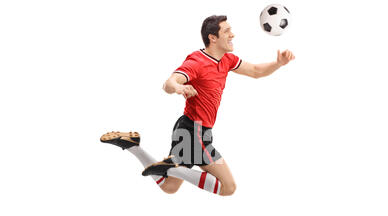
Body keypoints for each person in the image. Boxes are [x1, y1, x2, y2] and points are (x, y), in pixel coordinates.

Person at [100, 15, 295, 196]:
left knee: (169, 187)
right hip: (194, 132)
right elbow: (168, 83)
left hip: (193, 130)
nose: (232, 34)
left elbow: (255, 71)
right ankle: (171, 167)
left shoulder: (227, 59)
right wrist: (178, 87)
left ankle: (133, 146)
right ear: (213, 38)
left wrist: (278, 63)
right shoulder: (197, 61)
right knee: (228, 187)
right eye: (227, 31)